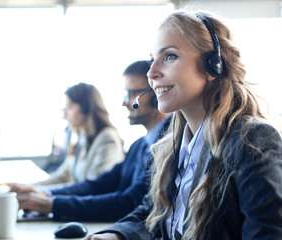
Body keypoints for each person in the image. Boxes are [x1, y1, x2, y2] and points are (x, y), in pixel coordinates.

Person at [84, 10, 282, 240]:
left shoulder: (252, 140)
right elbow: (155, 212)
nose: (151, 73)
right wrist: (115, 235)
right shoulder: (172, 144)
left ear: (213, 66)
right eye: (152, 59)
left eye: (169, 56)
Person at [10, 60, 171, 221]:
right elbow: (99, 184)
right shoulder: (140, 145)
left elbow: (129, 202)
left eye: (131, 94)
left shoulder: (168, 145)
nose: (124, 103)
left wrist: (53, 204)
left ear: (157, 94)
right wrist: (45, 194)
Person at [39, 82, 125, 185]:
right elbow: (62, 176)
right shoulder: (81, 139)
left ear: (86, 107)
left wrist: (45, 196)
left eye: (70, 107)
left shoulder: (107, 139)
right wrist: (26, 187)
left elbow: (94, 186)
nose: (65, 115)